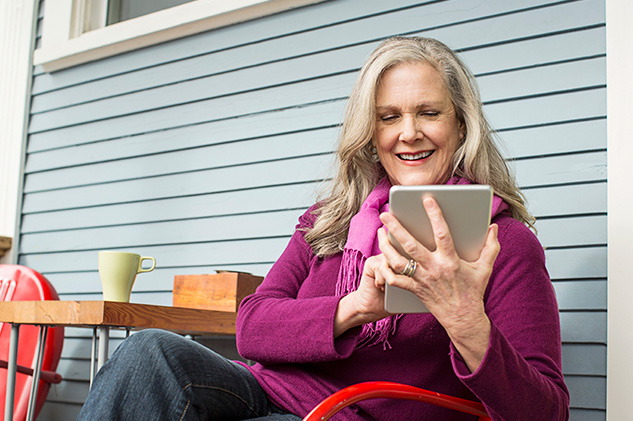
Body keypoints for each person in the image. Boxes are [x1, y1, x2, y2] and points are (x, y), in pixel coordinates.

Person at [77, 36, 569, 420]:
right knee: (148, 352)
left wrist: (464, 319)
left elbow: (546, 412)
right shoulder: (329, 221)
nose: (409, 132)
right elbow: (251, 327)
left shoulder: (502, 245)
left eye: (429, 113)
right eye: (389, 117)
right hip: (265, 389)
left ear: (461, 126)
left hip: (351, 415)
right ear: (371, 134)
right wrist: (356, 307)